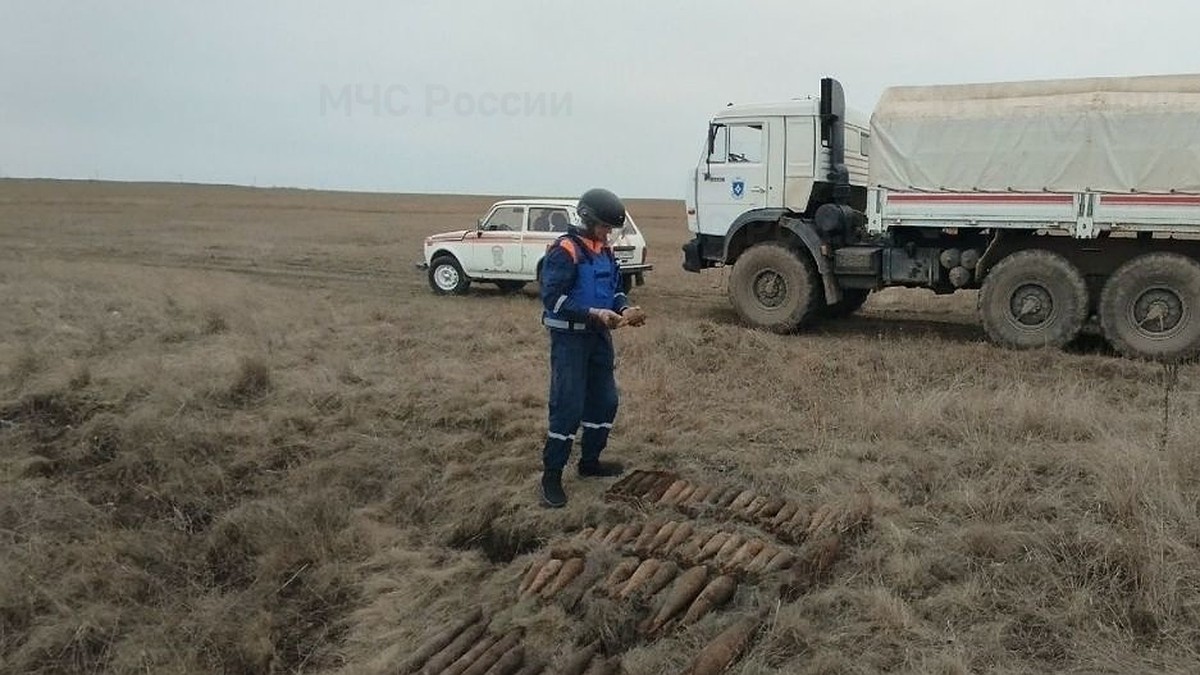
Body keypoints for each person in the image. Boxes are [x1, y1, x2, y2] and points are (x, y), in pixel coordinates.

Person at [538, 188, 647, 508]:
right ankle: (551, 476)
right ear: (586, 219)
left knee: (605, 401)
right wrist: (593, 314)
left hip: (599, 337)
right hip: (570, 340)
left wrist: (625, 309)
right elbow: (553, 299)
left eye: (611, 229)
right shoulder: (565, 250)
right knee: (568, 406)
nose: (608, 233)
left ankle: (590, 462)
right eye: (604, 227)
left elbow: (613, 291)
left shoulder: (604, 251)